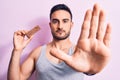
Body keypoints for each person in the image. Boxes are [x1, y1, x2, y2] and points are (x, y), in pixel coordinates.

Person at [8, 3, 111, 80]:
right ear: (50, 25)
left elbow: (88, 65)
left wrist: (91, 70)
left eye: (65, 21)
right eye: (55, 21)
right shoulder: (38, 53)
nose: (60, 26)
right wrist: (17, 51)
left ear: (71, 24)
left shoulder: (81, 53)